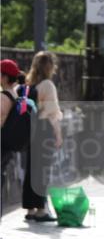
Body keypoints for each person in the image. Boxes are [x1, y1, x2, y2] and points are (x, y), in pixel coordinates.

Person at [21, 52, 63, 220]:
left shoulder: (30, 84)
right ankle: (41, 210)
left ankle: (30, 209)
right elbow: (52, 113)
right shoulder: (48, 85)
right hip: (44, 129)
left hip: (32, 130)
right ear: (49, 67)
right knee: (43, 170)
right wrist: (58, 135)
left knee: (32, 169)